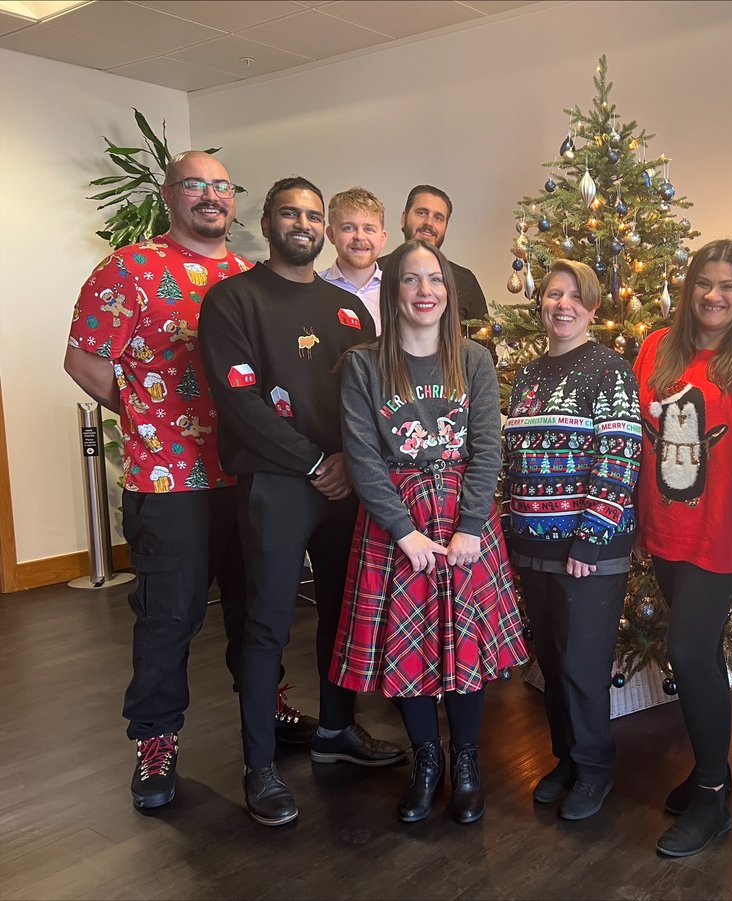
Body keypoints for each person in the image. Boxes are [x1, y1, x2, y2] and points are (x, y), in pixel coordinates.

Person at [64, 150, 267, 812]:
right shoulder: (127, 270)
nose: (210, 196)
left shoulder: (246, 273)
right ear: (168, 194)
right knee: (168, 617)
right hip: (168, 478)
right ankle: (155, 738)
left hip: (245, 475)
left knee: (255, 606)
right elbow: (84, 359)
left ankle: (269, 706)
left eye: (219, 186)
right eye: (194, 186)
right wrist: (144, 413)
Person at [200, 176, 404, 828]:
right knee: (267, 624)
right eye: (291, 213)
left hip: (345, 485)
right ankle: (259, 763)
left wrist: (352, 463)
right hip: (278, 484)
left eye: (314, 215)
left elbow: (369, 399)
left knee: (342, 614)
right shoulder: (233, 301)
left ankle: (337, 730)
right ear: (267, 222)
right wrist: (316, 461)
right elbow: (240, 403)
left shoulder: (347, 310)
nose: (304, 223)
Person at [329, 238, 527, 826]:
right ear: (392, 292)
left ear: (450, 291)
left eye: (435, 279)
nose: (425, 291)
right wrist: (403, 533)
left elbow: (488, 447)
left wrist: (470, 527)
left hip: (465, 524)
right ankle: (427, 763)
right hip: (398, 526)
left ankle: (465, 763)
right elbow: (361, 455)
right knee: (408, 650)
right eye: (411, 280)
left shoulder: (474, 360)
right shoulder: (363, 365)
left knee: (463, 647)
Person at [634, 239, 732, 858]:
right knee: (692, 652)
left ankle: (713, 792)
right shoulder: (656, 347)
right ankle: (706, 767)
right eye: (704, 283)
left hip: (722, 533)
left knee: (689, 650)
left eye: (728, 286)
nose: (714, 296)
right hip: (666, 528)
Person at [503, 261, 642, 821]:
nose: (562, 304)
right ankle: (566, 758)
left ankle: (595, 769)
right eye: (552, 294)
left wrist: (590, 539)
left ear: (592, 306)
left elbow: (620, 457)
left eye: (574, 296)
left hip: (587, 551)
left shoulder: (610, 370)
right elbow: (512, 459)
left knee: (583, 666)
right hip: (531, 544)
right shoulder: (529, 375)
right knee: (552, 663)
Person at [378, 185, 488, 325]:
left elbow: (484, 343)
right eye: (422, 213)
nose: (429, 223)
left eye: (438, 217)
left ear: (445, 227)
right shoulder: (376, 272)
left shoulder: (465, 281)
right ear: (404, 219)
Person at [319, 187, 388, 330]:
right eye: (348, 228)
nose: (360, 237)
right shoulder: (314, 290)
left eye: (369, 229)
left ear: (382, 238)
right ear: (331, 234)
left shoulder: (399, 292)